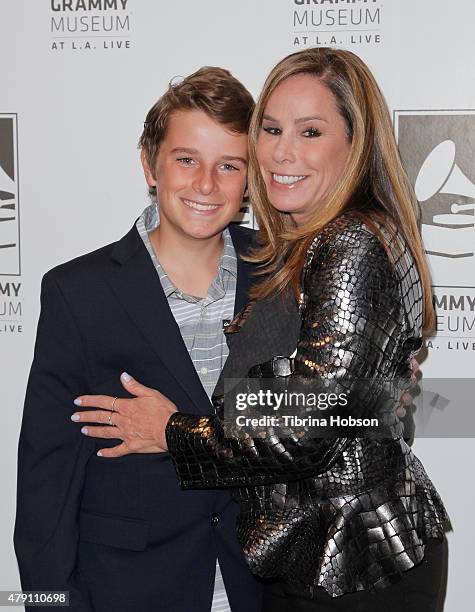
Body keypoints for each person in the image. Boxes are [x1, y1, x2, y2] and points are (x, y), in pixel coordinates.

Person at [72, 48, 450, 611]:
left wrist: (171, 431)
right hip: (312, 554)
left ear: (356, 142)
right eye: (270, 130)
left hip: (352, 561)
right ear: (151, 166)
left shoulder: (345, 243)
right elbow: (332, 405)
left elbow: (303, 431)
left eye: (311, 131)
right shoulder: (291, 252)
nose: (282, 151)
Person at [14, 67, 263, 612]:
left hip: (264, 588)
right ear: (150, 163)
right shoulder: (78, 294)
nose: (206, 185)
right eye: (186, 160)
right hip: (129, 591)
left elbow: (321, 423)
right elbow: (46, 485)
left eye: (229, 166)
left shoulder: (284, 275)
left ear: (251, 180)